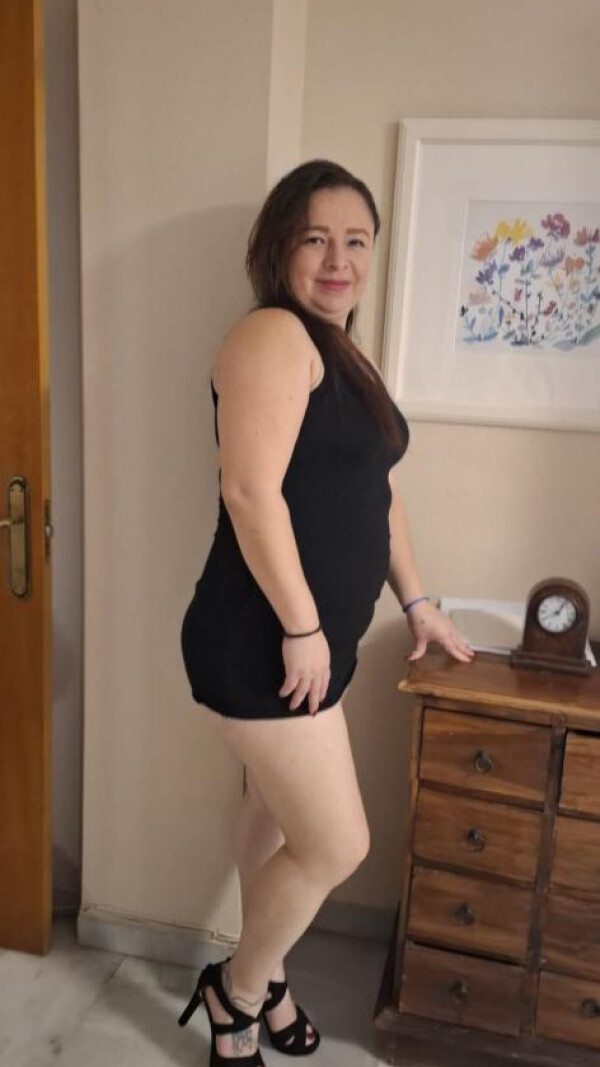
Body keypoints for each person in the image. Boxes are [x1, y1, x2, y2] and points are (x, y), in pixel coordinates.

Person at [178, 159, 475, 1065]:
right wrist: (304, 628)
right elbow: (249, 491)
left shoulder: (344, 351)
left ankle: (267, 979)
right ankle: (235, 992)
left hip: (313, 645)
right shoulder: (272, 334)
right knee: (337, 843)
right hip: (261, 640)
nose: (339, 259)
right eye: (316, 238)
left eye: (356, 240)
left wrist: (416, 602)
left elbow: (379, 494)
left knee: (274, 816)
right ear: (280, 247)